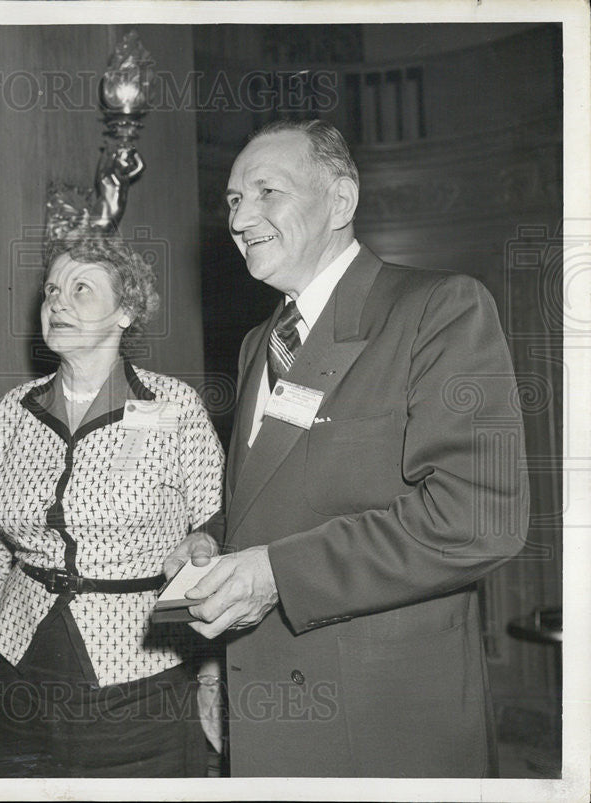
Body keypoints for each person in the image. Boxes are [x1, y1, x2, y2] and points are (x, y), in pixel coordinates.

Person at [164, 119, 529, 777]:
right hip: (268, 696)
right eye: (232, 200)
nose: (241, 217)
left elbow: (479, 518)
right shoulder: (259, 343)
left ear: (340, 200)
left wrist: (274, 572)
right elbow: (277, 498)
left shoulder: (440, 309)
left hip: (382, 720)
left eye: (266, 191)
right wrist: (213, 540)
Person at [0, 233, 225, 777]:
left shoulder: (172, 406)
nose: (57, 302)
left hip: (141, 678)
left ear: (126, 312)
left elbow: (215, 526)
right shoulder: (14, 410)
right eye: (52, 289)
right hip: (21, 669)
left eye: (81, 289)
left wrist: (214, 677)